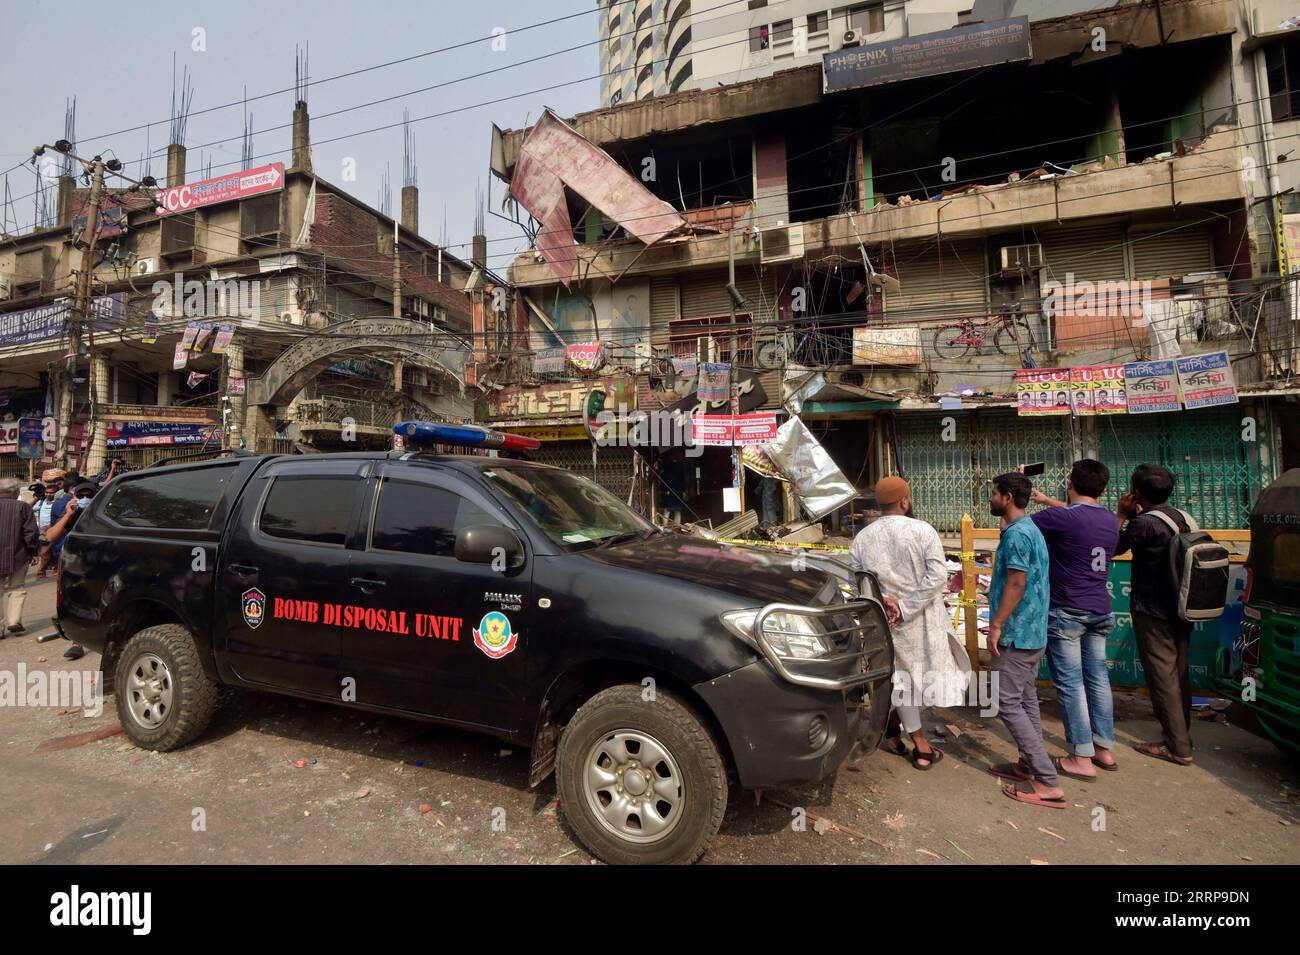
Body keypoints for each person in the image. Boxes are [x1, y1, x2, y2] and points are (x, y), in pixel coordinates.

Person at [850, 477, 970, 770]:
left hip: (885, 621)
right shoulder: (923, 530)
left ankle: (892, 727)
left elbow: (858, 582)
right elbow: (937, 576)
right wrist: (906, 608)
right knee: (912, 682)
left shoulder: (863, 538)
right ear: (905, 501)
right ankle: (922, 747)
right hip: (921, 620)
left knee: (903, 680)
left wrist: (884, 602)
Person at [1030, 460, 1120, 780]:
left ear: (1069, 484)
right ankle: (1103, 748)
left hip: (1067, 610)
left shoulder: (1061, 518)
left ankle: (1080, 756)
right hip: (1100, 610)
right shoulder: (1110, 520)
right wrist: (1049, 501)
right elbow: (1078, 513)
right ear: (1104, 490)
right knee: (1098, 679)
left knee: (1070, 683)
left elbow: (1017, 525)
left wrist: (1025, 490)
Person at [986, 472, 1064, 808]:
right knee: (1026, 699)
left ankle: (1047, 781)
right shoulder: (1027, 529)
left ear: (1006, 497)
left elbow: (1017, 583)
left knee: (1005, 702)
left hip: (1017, 634)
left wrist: (997, 625)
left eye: (994, 493)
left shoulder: (1019, 535)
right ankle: (1030, 764)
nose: (990, 498)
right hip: (1031, 633)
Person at [1115, 464, 1195, 766]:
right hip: (1183, 606)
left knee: (1162, 678)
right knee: (1179, 675)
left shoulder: (1145, 524)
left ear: (1136, 492)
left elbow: (1111, 547)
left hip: (1153, 610)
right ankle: (1181, 734)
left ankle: (1178, 747)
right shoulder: (1181, 517)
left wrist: (1121, 515)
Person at [45, 481, 97, 659]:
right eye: (81, 496)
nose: (85, 499)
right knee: (76, 602)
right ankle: (77, 642)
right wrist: (68, 514)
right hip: (74, 565)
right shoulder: (71, 515)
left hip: (97, 563)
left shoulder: (101, 514)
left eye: (89, 496)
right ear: (74, 497)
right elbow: (50, 536)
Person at [0, 477, 40, 636]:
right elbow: (31, 533)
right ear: (15, 492)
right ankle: (14, 621)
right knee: (17, 588)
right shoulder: (23, 507)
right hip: (19, 555)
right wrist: (33, 552)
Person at [34, 482, 58, 579]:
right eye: (47, 492)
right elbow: (30, 508)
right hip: (41, 532)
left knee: (45, 551)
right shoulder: (41, 502)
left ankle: (41, 571)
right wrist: (35, 499)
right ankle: (53, 566)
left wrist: (52, 525)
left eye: (51, 493)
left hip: (53, 531)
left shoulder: (57, 503)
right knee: (45, 551)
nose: (48, 494)